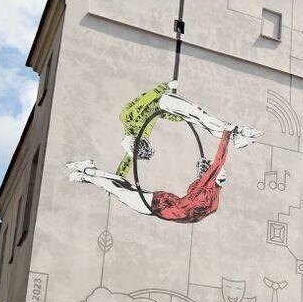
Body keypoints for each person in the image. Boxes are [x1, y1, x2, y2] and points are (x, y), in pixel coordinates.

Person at [67, 81, 262, 223]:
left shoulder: (131, 119)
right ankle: (87, 172)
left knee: (119, 187)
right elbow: (125, 167)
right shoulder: (133, 122)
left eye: (143, 147)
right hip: (162, 203)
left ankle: (87, 173)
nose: (146, 144)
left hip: (159, 203)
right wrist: (165, 90)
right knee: (119, 187)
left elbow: (146, 100)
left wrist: (165, 88)